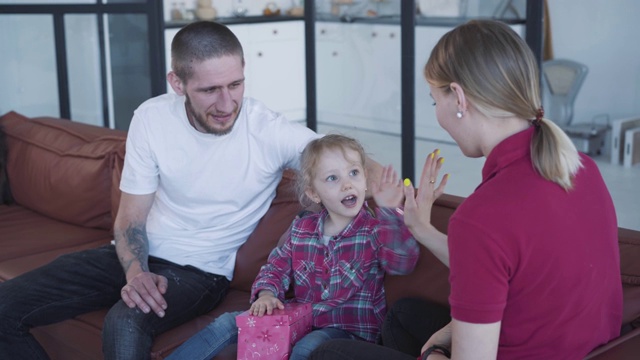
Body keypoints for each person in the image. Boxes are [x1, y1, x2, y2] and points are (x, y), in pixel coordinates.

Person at [0, 20, 341, 359]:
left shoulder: (269, 130)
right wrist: (136, 271)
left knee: (124, 322)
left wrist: (384, 188)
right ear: (177, 83)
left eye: (235, 84)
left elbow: (343, 162)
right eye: (210, 90)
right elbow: (130, 218)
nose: (226, 104)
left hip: (200, 272)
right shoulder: (151, 118)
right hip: (135, 254)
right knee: (5, 307)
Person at [310, 19, 622, 360]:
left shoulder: (484, 216)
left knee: (329, 353)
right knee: (403, 315)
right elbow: (509, 267)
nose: (438, 116)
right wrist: (422, 230)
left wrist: (436, 354)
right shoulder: (581, 168)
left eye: (435, 102)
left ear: (458, 96)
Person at [166, 134, 421, 360]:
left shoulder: (376, 230)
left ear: (365, 180)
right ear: (313, 193)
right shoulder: (302, 229)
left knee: (307, 347)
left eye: (354, 173)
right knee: (227, 323)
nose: (346, 184)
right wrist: (267, 294)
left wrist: (389, 211)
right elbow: (275, 267)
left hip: (347, 331)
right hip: (300, 318)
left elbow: (402, 261)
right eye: (332, 178)